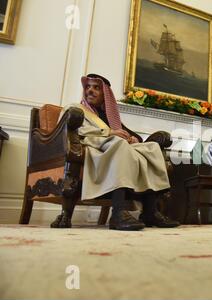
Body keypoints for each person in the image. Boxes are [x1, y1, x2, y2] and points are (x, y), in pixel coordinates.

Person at [60, 74, 180, 231]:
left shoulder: (108, 115)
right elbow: (73, 130)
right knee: (120, 145)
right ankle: (117, 213)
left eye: (96, 88)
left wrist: (133, 139)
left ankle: (150, 211)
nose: (90, 90)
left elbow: (125, 132)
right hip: (92, 145)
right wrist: (110, 133)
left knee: (151, 148)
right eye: (88, 87)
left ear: (105, 94)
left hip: (112, 145)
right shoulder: (75, 109)